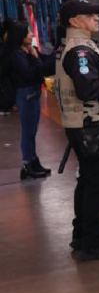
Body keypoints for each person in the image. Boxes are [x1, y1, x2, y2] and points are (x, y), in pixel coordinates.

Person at [54, 0, 99, 260]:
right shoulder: (81, 52)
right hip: (92, 129)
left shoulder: (78, 47)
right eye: (90, 15)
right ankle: (94, 244)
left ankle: (84, 235)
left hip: (84, 129)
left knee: (87, 183)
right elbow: (87, 91)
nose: (97, 18)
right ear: (75, 22)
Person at [3, 21, 53, 179]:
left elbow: (46, 63)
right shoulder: (17, 54)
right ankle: (28, 163)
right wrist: (36, 59)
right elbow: (30, 73)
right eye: (28, 33)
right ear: (20, 36)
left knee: (32, 131)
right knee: (28, 131)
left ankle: (33, 161)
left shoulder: (28, 50)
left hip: (32, 93)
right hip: (25, 94)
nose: (31, 35)